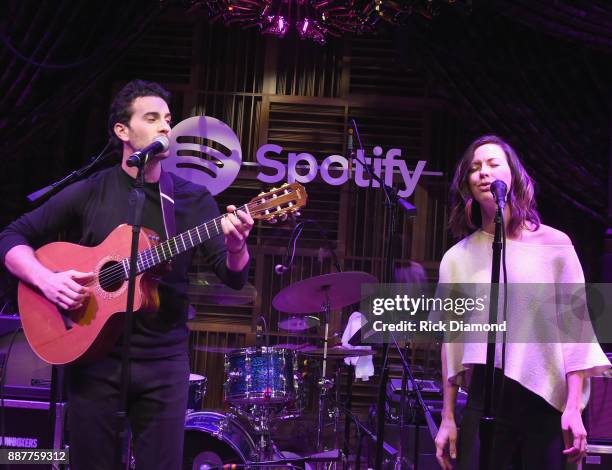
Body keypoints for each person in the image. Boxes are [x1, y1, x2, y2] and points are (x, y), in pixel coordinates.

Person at [0, 79, 254, 469]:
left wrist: (237, 245)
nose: (165, 128)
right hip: (93, 356)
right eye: (152, 118)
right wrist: (46, 280)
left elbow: (233, 275)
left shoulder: (191, 199)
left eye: (168, 120)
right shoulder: (91, 190)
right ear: (123, 131)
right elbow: (12, 236)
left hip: (163, 363)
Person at [433, 135, 610, 469]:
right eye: (474, 168)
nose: (483, 172)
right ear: (467, 186)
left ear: (513, 174)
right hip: (484, 397)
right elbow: (450, 341)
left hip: (542, 404)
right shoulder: (457, 258)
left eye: (492, 164)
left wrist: (573, 407)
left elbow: (577, 332)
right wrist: (447, 417)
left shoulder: (555, 245)